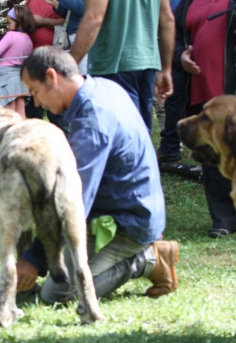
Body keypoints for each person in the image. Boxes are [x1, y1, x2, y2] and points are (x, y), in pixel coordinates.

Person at [18, 46, 179, 302]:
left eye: (35, 92)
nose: (36, 103)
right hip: (106, 212)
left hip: (132, 221)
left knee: (59, 294)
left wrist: (34, 258)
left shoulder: (93, 120)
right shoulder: (100, 86)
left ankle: (148, 259)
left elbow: (74, 200)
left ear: (51, 77)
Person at [70, 0, 175, 133]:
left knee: (123, 140)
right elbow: (167, 18)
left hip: (114, 64)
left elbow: (94, 17)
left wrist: (70, 64)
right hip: (147, 62)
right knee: (141, 138)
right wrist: (166, 68)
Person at [173, 0, 236, 238]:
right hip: (201, 94)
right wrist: (180, 57)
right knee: (211, 155)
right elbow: (173, 37)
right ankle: (222, 219)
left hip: (232, 94)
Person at [139, 0, 185, 166]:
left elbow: (161, 21)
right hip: (176, 50)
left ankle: (165, 148)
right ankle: (171, 146)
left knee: (156, 101)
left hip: (163, 50)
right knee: (167, 103)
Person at [25, 0, 72, 132]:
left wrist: (42, 22)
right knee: (33, 112)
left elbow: (69, 20)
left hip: (55, 60)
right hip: (32, 57)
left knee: (57, 114)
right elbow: (27, 11)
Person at [0, 6, 35, 117]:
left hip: (5, 76)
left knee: (7, 109)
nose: (7, 26)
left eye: (9, 23)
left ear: (19, 23)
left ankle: (7, 131)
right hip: (20, 77)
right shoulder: (28, 39)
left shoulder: (11, 35)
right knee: (20, 109)